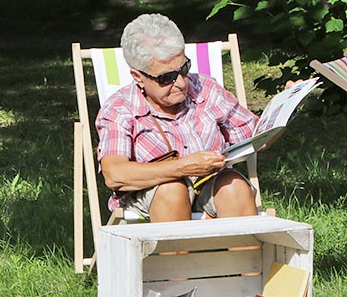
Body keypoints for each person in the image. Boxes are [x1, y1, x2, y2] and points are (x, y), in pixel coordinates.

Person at [96, 13, 260, 223]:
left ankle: (245, 256)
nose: (182, 82)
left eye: (184, 69)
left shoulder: (204, 88)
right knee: (172, 189)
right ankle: (176, 256)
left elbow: (255, 135)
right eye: (167, 78)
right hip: (152, 193)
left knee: (234, 186)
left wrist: (286, 104)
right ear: (138, 77)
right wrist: (182, 167)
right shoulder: (120, 108)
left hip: (209, 186)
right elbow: (115, 174)